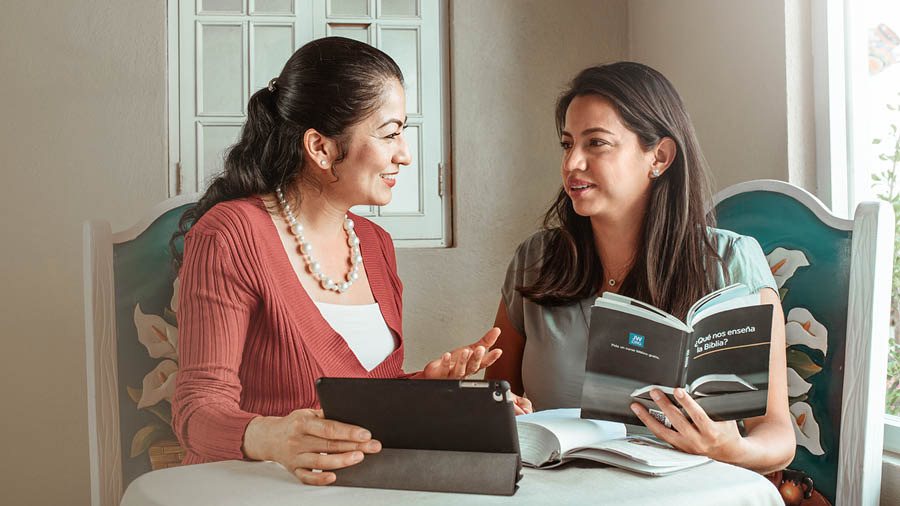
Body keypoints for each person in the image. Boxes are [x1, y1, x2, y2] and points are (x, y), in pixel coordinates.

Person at [170, 37, 529, 486]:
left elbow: (361, 403)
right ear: (320, 148)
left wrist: (431, 388)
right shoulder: (229, 235)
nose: (405, 153)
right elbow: (196, 411)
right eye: (390, 133)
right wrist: (272, 437)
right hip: (249, 488)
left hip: (351, 488)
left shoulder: (375, 245)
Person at [485, 62, 795, 474]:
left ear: (659, 157)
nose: (572, 163)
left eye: (596, 143)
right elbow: (495, 400)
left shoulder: (732, 262)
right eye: (567, 144)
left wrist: (731, 449)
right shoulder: (535, 261)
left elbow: (777, 438)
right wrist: (504, 410)